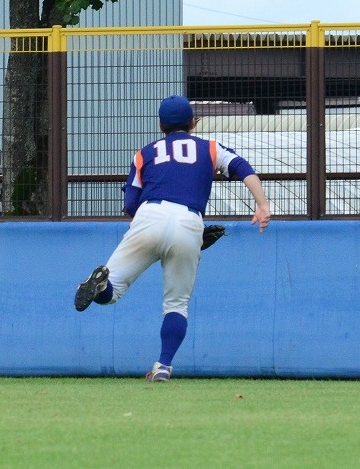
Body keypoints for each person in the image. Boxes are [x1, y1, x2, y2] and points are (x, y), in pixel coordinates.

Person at [74, 95, 271, 382]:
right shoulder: (210, 147)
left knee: (111, 293)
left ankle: (101, 284)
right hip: (189, 221)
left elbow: (131, 203)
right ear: (193, 123)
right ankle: (163, 366)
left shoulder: (144, 153)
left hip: (149, 215)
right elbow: (242, 167)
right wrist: (262, 205)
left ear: (160, 126)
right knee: (176, 304)